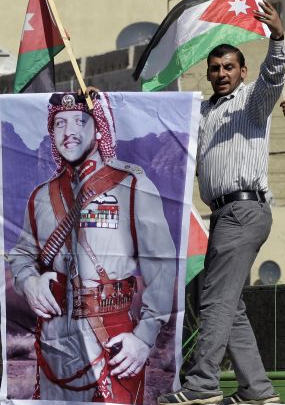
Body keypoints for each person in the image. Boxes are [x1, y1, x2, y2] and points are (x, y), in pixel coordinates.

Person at [158, 0, 285, 405]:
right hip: (222, 214)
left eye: (229, 67)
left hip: (244, 209)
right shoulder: (201, 110)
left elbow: (272, 76)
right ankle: (257, 390)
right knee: (225, 304)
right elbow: (158, 120)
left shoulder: (252, 102)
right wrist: (98, 104)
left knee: (214, 298)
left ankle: (202, 384)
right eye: (215, 69)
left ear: (241, 71)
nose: (221, 74)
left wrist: (278, 39)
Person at [9, 90, 176, 404]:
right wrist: (30, 281)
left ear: (98, 127)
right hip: (55, 342)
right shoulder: (41, 196)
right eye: (59, 123)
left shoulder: (132, 185)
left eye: (78, 121)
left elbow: (162, 264)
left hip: (114, 337)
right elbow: (21, 256)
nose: (68, 131)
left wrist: (144, 337)